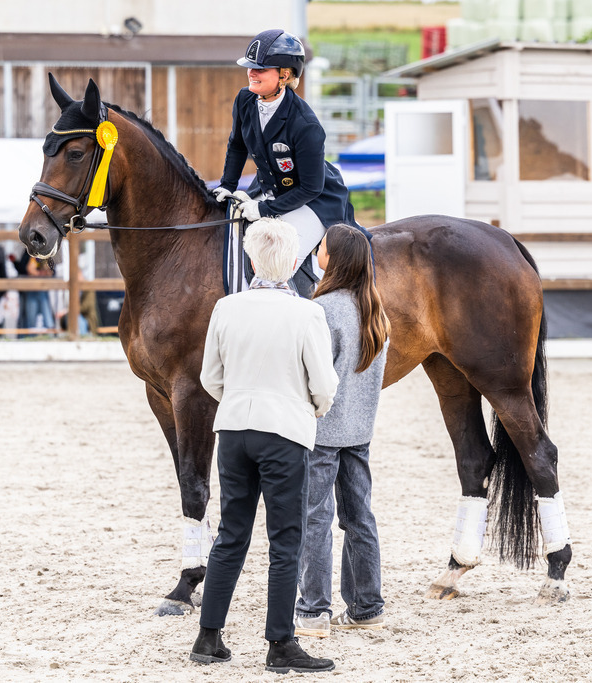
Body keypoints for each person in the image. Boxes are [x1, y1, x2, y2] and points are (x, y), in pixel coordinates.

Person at [191, 217, 340, 674]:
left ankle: (208, 636)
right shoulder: (307, 313)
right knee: (285, 539)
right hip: (285, 431)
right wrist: (311, 408)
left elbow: (209, 378)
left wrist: (238, 400)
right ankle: (279, 643)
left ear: (252, 260)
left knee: (231, 535)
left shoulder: (226, 307)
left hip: (234, 429)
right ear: (294, 263)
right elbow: (325, 383)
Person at [211, 29, 365, 294]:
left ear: (284, 75)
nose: (251, 73)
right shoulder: (245, 99)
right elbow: (237, 145)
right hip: (272, 191)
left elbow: (310, 189)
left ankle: (296, 309)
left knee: (275, 260)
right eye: (250, 68)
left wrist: (264, 210)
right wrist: (227, 184)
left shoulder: (305, 125)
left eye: (261, 69)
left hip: (314, 202)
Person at [294, 223, 390, 639]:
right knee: (359, 518)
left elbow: (314, 376)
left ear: (333, 259)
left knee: (315, 519)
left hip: (322, 430)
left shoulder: (323, 310)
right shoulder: (375, 310)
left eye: (322, 248)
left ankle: (314, 610)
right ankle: (366, 605)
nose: (317, 252)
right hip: (361, 428)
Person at [17, 252, 56, 335]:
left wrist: (39, 272)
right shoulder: (29, 255)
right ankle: (32, 336)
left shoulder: (46, 255)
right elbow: (30, 269)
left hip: (43, 290)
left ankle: (49, 335)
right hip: (31, 289)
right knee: (31, 318)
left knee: (46, 316)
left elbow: (50, 271)